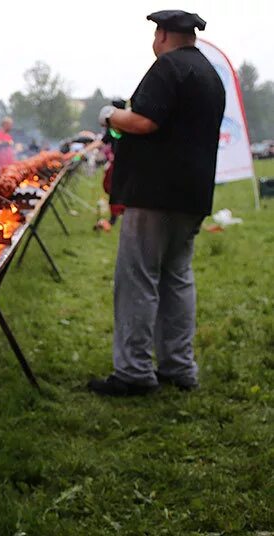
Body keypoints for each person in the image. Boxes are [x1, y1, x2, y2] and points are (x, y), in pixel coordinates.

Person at [87, 10, 225, 396]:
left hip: (154, 196)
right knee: (177, 278)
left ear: (163, 34)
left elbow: (144, 121)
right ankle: (179, 367)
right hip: (192, 195)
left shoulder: (167, 68)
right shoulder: (209, 75)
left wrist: (110, 114)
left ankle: (133, 372)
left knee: (138, 279)